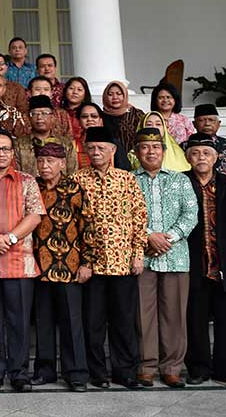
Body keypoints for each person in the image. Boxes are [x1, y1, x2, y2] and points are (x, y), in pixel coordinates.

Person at [72, 126, 147, 390]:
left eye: (101, 147)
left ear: (113, 150)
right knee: (93, 323)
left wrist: (138, 255)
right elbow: (74, 225)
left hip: (123, 263)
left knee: (124, 322)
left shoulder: (127, 179)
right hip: (92, 265)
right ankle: (98, 373)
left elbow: (139, 218)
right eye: (91, 148)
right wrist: (83, 262)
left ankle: (125, 372)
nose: (96, 152)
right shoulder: (78, 180)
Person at [0, 129, 45, 393]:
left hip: (20, 263)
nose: (1, 154)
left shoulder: (27, 181)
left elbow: (35, 215)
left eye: (5, 149)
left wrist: (10, 238)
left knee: (19, 322)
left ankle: (19, 374)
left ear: (13, 152)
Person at [130, 127, 197, 389]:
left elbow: (190, 214)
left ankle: (172, 368)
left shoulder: (180, 180)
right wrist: (149, 236)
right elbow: (124, 215)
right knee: (142, 314)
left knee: (174, 314)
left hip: (175, 256)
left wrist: (167, 238)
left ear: (164, 151)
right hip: (141, 257)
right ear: (137, 152)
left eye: (156, 147)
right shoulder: (129, 180)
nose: (150, 151)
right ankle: (146, 367)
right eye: (145, 147)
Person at [183, 134, 226, 387]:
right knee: (195, 320)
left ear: (216, 157)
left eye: (206, 153)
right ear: (188, 157)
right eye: (196, 153)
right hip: (194, 265)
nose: (201, 158)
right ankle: (198, 368)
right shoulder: (183, 183)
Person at [30, 139, 90, 392]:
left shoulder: (74, 189)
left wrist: (87, 263)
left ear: (62, 164)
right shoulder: (32, 187)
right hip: (38, 267)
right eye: (41, 161)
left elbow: (87, 227)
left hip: (69, 266)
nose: (45, 166)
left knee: (71, 321)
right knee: (43, 321)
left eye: (50, 161)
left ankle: (76, 373)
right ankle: (45, 371)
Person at [16, 95, 78, 175]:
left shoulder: (66, 144)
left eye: (44, 113)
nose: (39, 117)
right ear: (29, 118)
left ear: (52, 117)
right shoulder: (18, 144)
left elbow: (73, 174)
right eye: (34, 114)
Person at [184, 104, 226, 178]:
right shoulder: (185, 146)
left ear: (219, 124)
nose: (207, 124)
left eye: (211, 120)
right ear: (194, 124)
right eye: (201, 120)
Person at [101, 81, 145, 155]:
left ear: (125, 95)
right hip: (109, 159)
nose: (115, 97)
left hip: (135, 159)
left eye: (119, 94)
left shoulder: (136, 114)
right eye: (110, 94)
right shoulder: (101, 117)